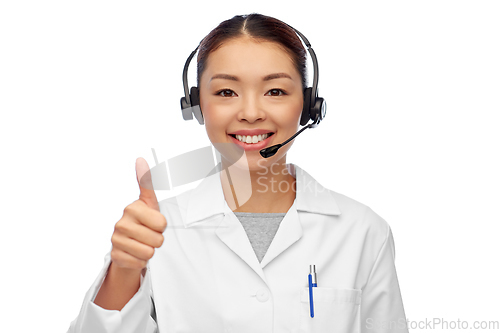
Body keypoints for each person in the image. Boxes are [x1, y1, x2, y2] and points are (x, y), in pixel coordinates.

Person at [67, 13, 409, 333]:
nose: (250, 113)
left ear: (308, 105)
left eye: (275, 91)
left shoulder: (363, 231)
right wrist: (124, 271)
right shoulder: (155, 233)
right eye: (226, 92)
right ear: (196, 104)